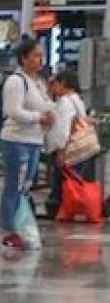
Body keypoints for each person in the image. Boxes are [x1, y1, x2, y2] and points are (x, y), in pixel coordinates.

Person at [0, 36, 56, 249]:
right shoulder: (16, 81)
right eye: (36, 56)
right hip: (17, 140)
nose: (41, 60)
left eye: (42, 56)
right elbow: (13, 111)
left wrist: (50, 115)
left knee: (25, 186)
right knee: (14, 185)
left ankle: (23, 226)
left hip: (34, 140)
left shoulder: (38, 83)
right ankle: (10, 229)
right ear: (24, 58)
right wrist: (38, 117)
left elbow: (45, 105)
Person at [45, 72, 95, 218]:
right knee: (70, 182)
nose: (53, 88)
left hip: (68, 150)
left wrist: (61, 150)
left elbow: (63, 128)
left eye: (55, 84)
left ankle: (62, 210)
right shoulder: (77, 100)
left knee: (62, 183)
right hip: (79, 150)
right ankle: (67, 210)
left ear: (63, 83)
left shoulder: (66, 102)